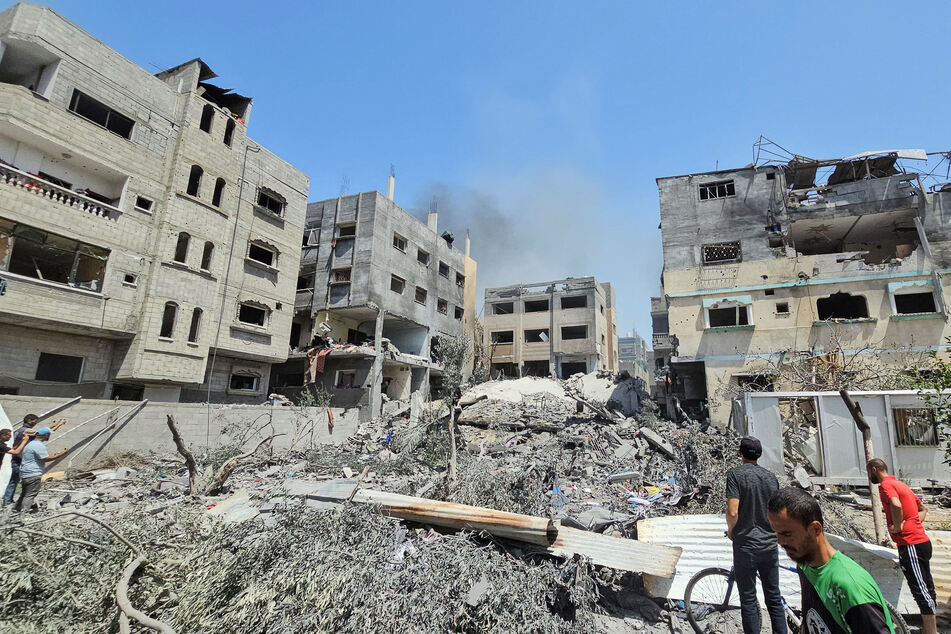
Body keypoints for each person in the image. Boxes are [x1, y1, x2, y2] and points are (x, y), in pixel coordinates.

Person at [768, 487, 894, 634]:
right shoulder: (806, 565)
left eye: (786, 534)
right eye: (776, 533)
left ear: (815, 529)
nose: (780, 541)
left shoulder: (850, 587)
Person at [867, 459, 938, 634]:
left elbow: (896, 505)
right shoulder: (901, 484)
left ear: (874, 469)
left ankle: (931, 632)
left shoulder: (886, 485)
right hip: (922, 542)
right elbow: (923, 509)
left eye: (868, 472)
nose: (868, 476)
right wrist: (912, 522)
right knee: (927, 587)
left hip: (910, 544)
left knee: (920, 590)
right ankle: (929, 628)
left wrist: (898, 527)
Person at [725, 436, 786, 634]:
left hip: (746, 545)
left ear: (740, 453)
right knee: (774, 597)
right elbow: (778, 512)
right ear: (759, 455)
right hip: (769, 544)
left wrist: (732, 531)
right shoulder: (771, 477)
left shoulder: (735, 475)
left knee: (749, 598)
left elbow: (733, 511)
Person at [14, 427, 68, 513]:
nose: (49, 437)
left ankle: (16, 510)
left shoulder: (30, 444)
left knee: (24, 494)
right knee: (30, 494)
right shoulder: (38, 445)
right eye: (49, 435)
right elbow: (45, 458)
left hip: (26, 473)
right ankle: (23, 513)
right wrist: (61, 454)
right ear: (46, 435)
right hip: (33, 474)